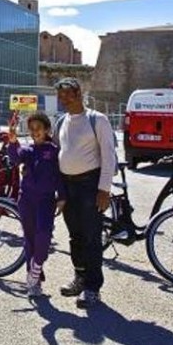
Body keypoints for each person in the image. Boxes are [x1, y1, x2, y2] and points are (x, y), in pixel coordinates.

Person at [54, 77, 117, 309]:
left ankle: (92, 287)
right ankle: (79, 278)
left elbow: (108, 155)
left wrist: (104, 189)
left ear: (79, 93)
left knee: (91, 237)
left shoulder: (97, 119)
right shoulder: (62, 121)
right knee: (75, 236)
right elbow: (55, 151)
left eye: (68, 94)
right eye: (60, 96)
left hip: (90, 186)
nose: (64, 99)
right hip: (68, 186)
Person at [6, 112, 65, 297]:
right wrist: (13, 142)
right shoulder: (28, 150)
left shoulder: (54, 151)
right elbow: (16, 158)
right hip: (26, 200)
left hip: (46, 201)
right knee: (29, 239)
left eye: (38, 128)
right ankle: (34, 283)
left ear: (47, 129)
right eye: (31, 129)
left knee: (43, 235)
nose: (34, 132)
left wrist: (62, 197)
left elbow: (60, 176)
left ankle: (37, 265)